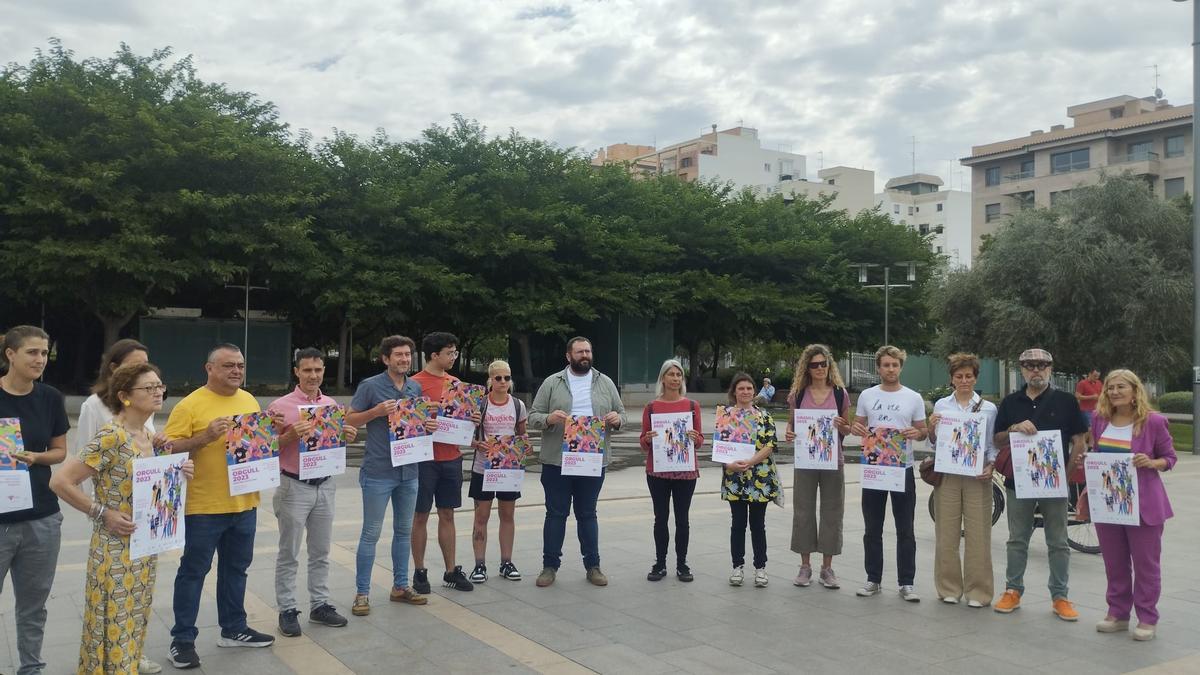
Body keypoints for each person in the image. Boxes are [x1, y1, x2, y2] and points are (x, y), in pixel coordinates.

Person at [50, 362, 195, 674]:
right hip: (114, 549)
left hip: (144, 547)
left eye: (160, 385)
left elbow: (149, 488)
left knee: (135, 618)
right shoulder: (112, 436)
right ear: (125, 396)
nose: (158, 392)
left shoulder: (147, 434)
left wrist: (179, 473)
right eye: (149, 387)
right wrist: (102, 513)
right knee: (112, 623)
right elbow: (60, 482)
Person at [164, 344, 276, 669]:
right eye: (228, 365)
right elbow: (168, 449)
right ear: (209, 368)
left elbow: (257, 447)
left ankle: (234, 628)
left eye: (240, 365)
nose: (236, 371)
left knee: (236, 569)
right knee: (193, 573)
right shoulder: (189, 406)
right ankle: (182, 639)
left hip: (244, 503)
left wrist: (273, 431)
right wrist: (204, 437)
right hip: (203, 507)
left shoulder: (249, 400)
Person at [267, 348, 359, 638]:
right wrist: (288, 436)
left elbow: (330, 445)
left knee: (321, 551)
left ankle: (319, 604)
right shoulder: (279, 407)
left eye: (318, 370)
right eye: (307, 370)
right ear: (296, 371)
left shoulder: (330, 404)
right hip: (294, 485)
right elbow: (264, 449)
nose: (313, 376)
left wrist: (346, 436)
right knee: (289, 553)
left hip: (325, 484)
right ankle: (287, 609)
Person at [992, 347, 1088, 621]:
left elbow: (1080, 440)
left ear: (1050, 368)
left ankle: (1060, 596)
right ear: (1022, 369)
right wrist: (1013, 428)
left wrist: (1067, 477)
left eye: (1042, 365)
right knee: (1017, 538)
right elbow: (996, 440)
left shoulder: (1067, 401)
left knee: (1057, 541)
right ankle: (1013, 590)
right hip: (1017, 482)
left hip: (1054, 483)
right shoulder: (1011, 402)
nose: (1036, 370)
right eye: (1030, 365)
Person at [346, 335, 435, 616]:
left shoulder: (415, 387)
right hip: (379, 471)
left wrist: (427, 426)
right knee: (371, 533)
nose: (404, 359)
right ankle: (362, 593)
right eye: (398, 355)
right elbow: (349, 419)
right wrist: (374, 412)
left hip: (409, 471)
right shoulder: (370, 386)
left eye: (408, 355)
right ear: (386, 359)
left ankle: (400, 585)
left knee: (403, 531)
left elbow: (415, 425)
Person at [528, 336, 625, 588]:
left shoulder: (605, 382)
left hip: (592, 460)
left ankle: (593, 566)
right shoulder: (552, 382)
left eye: (588, 351)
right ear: (568, 356)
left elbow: (621, 414)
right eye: (580, 351)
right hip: (557, 460)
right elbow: (533, 416)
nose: (585, 355)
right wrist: (549, 418)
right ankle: (549, 566)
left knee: (587, 514)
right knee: (556, 514)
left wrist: (616, 419)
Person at [1086, 369, 1175, 641]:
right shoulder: (1099, 419)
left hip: (1144, 505)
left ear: (1135, 391)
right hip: (1109, 503)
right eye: (1110, 387)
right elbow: (1098, 454)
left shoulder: (1154, 422)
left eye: (1120, 387)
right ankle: (1118, 613)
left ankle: (1147, 617)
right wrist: (1088, 462)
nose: (1114, 392)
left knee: (1146, 565)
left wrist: (1152, 462)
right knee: (1115, 563)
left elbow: (1169, 458)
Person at [0, 326, 68, 675]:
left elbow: (59, 452)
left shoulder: (50, 397)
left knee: (33, 605)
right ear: (10, 354)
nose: (40, 359)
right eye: (32, 352)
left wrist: (36, 458)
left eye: (44, 353)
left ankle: (31, 667)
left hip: (41, 516)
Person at [850, 345, 927, 601]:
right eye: (886, 365)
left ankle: (907, 582)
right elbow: (857, 426)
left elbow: (923, 430)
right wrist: (856, 429)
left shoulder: (913, 397)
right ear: (878, 367)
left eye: (895, 365)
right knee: (872, 528)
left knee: (905, 528)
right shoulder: (867, 396)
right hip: (874, 469)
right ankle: (873, 579)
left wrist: (918, 433)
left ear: (901, 367)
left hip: (901, 469)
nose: (890, 369)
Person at [926, 353, 998, 607]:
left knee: (979, 533)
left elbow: (991, 444)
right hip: (948, 474)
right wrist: (932, 428)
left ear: (976, 378)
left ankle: (979, 592)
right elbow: (933, 443)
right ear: (951, 379)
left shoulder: (988, 408)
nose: (964, 380)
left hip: (977, 475)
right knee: (946, 532)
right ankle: (948, 587)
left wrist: (991, 465)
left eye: (969, 376)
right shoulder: (942, 406)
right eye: (959, 376)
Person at [409, 332, 479, 593]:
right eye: (449, 353)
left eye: (455, 352)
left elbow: (465, 422)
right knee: (420, 515)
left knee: (448, 514)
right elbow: (406, 423)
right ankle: (419, 571)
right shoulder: (414, 384)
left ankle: (451, 570)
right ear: (434, 355)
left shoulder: (456, 384)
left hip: (452, 457)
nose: (453, 357)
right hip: (424, 459)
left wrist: (472, 418)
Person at [783, 345, 850, 590]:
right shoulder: (798, 394)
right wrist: (789, 433)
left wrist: (842, 426)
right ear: (807, 368)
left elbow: (848, 428)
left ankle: (827, 567)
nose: (820, 368)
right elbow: (791, 426)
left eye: (824, 364)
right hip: (806, 461)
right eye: (814, 365)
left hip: (834, 460)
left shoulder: (840, 394)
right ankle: (805, 566)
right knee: (803, 510)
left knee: (832, 512)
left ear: (829, 366)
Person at [638, 359, 703, 582]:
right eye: (671, 374)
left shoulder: (692, 406)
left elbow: (700, 439)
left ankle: (682, 563)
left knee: (682, 519)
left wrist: (696, 438)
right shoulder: (651, 407)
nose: (675, 378)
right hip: (658, 471)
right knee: (660, 518)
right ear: (662, 378)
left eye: (679, 375)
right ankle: (660, 562)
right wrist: (647, 439)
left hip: (685, 471)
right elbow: (643, 442)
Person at [467, 360, 528, 583]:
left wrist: (521, 447)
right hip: (483, 469)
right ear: (490, 380)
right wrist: (477, 444)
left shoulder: (518, 405)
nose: (503, 382)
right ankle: (479, 564)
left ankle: (506, 562)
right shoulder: (480, 405)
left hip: (508, 469)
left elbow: (522, 434)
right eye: (498, 378)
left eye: (507, 378)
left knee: (507, 515)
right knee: (481, 516)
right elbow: (466, 435)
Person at [722, 372, 781, 588]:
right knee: (737, 524)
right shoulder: (725, 415)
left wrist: (751, 461)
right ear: (734, 392)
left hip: (760, 477)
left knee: (758, 525)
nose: (745, 392)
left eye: (749, 388)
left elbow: (770, 444)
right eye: (741, 388)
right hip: (734, 477)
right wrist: (728, 464)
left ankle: (760, 568)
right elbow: (720, 445)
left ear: (754, 391)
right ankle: (737, 567)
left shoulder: (764, 416)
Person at [77, 339, 156, 450]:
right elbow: (82, 453)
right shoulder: (94, 405)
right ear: (114, 368)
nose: (142, 371)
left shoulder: (145, 402)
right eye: (134, 366)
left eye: (145, 366)